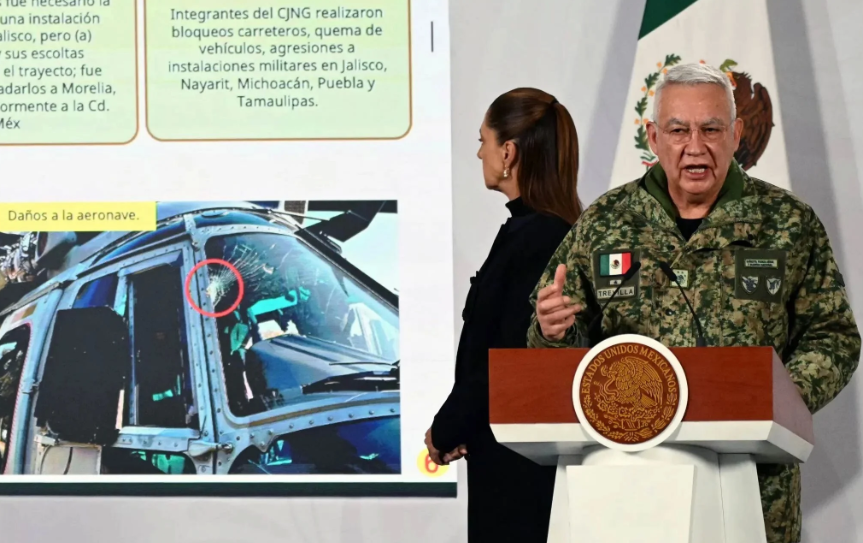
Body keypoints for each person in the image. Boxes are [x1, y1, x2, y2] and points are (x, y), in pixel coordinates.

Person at [528, 62, 861, 542]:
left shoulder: (787, 221)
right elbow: (558, 342)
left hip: (752, 485)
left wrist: (781, 397)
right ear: (654, 137)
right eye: (678, 130)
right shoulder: (606, 221)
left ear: (736, 134)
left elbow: (834, 335)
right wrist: (552, 331)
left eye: (711, 129)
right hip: (628, 485)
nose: (695, 146)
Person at [425, 87, 582, 542]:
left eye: (484, 141)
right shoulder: (536, 230)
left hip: (518, 470)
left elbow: (506, 360)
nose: (480, 153)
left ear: (508, 152)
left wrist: (446, 428)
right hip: (508, 453)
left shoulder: (536, 237)